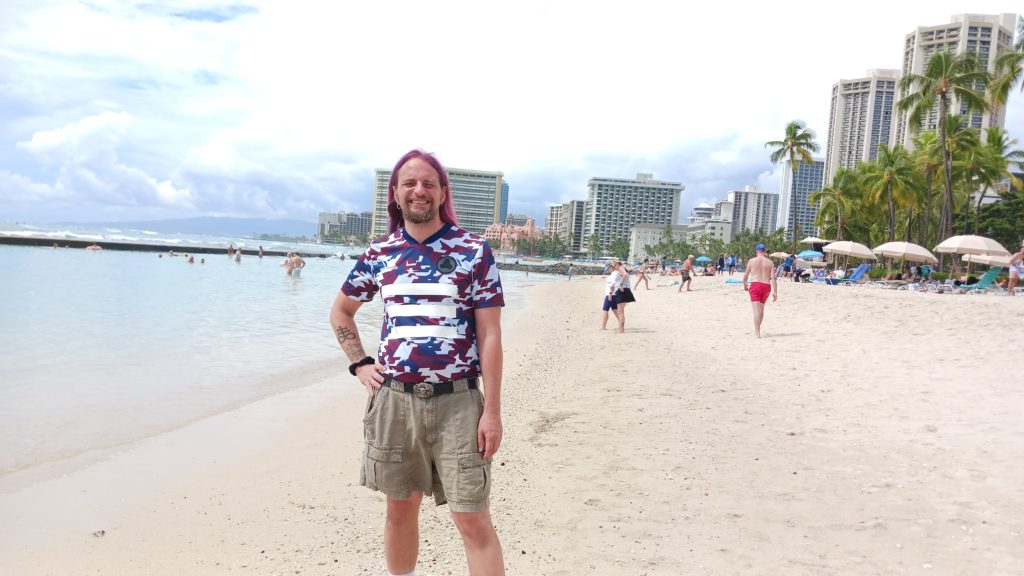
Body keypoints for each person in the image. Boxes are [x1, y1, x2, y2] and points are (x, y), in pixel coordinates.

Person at [329, 150, 506, 576]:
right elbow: (341, 312)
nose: (419, 190)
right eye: (409, 183)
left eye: (428, 183)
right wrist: (360, 364)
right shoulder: (380, 253)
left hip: (459, 403)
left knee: (472, 518)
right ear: (395, 193)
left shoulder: (473, 251)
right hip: (394, 402)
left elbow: (491, 335)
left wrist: (493, 412)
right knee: (399, 512)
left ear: (442, 192)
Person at [743, 243, 778, 338]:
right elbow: (773, 278)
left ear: (756, 251)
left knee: (756, 311)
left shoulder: (752, 260)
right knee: (761, 309)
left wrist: (745, 284)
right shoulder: (770, 262)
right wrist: (775, 292)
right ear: (764, 251)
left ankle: (757, 332)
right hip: (766, 286)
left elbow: (746, 275)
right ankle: (758, 329)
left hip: (756, 285)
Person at [602, 261, 624, 332]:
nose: (608, 270)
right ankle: (620, 326)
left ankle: (603, 327)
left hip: (610, 294)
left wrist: (610, 294)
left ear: (611, 267)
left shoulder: (614, 273)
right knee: (615, 310)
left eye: (608, 268)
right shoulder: (615, 273)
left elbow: (613, 284)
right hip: (614, 295)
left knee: (605, 310)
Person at [616, 261, 635, 331]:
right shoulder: (623, 267)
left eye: (615, 266)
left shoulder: (621, 267)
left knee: (620, 312)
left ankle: (621, 329)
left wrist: (621, 284)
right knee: (621, 311)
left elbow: (625, 274)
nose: (615, 268)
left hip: (622, 290)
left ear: (617, 264)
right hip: (626, 289)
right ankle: (620, 327)